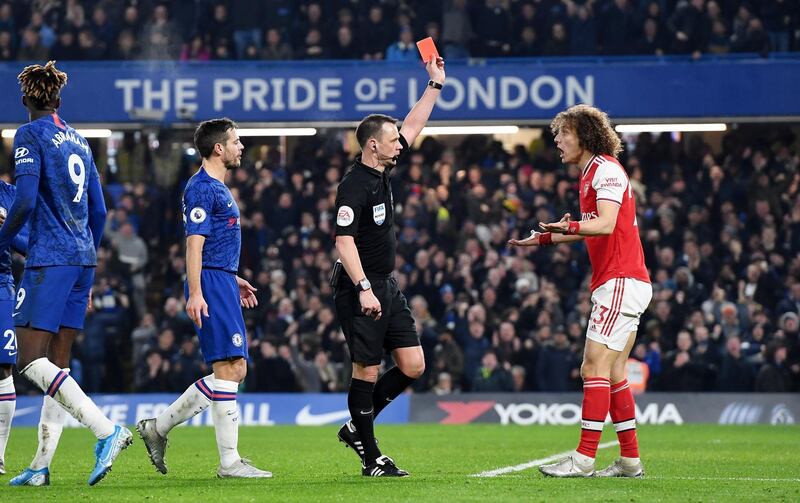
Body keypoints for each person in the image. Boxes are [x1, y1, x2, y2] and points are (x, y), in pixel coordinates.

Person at [3, 61, 131, 487]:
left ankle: (106, 430)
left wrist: (2, 240)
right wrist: (87, 261)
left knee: (27, 359)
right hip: (82, 258)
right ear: (58, 99)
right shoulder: (79, 141)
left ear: (26, 100)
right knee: (58, 365)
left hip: (50, 259)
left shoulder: (30, 135)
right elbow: (99, 210)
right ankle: (40, 466)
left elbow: (22, 201)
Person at [509, 104, 652, 478]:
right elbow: (592, 226)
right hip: (625, 280)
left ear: (585, 136)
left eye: (564, 134)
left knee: (592, 367)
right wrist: (543, 238)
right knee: (616, 371)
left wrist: (567, 229)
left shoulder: (605, 170)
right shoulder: (591, 173)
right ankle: (630, 462)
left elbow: (604, 225)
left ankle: (583, 458)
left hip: (619, 279)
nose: (556, 140)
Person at [136, 118, 270, 479]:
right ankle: (229, 463)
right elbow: (193, 245)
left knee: (234, 368)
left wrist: (231, 276)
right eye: (236, 141)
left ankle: (158, 428)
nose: (241, 147)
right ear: (218, 149)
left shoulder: (217, 188)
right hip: (209, 284)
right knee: (228, 368)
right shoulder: (201, 189)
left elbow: (213, 246)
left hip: (219, 279)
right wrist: (198, 291)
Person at [333, 56, 445, 477]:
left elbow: (413, 125)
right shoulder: (354, 186)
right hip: (359, 285)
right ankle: (370, 456)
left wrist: (434, 85)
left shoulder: (383, 172)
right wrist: (363, 287)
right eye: (393, 140)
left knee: (414, 365)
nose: (402, 143)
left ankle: (354, 427)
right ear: (372, 145)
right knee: (367, 368)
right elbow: (343, 241)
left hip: (385, 283)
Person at [0, 194, 28, 476]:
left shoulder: (11, 195)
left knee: (3, 367)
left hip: (1, 284)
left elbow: (31, 245)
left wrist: (8, 227)